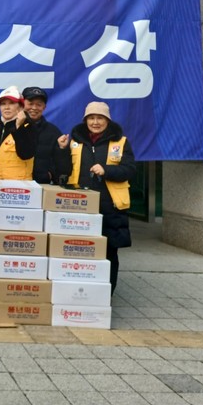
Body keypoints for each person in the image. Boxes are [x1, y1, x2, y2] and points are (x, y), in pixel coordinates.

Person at [59, 101, 135, 293]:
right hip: (80, 207)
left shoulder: (121, 142)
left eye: (100, 118)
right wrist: (62, 150)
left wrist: (106, 170)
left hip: (110, 207)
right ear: (85, 120)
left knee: (109, 252)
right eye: (91, 118)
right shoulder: (74, 141)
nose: (95, 122)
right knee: (80, 250)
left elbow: (130, 170)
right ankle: (82, 290)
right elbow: (64, 169)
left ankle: (107, 293)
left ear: (107, 120)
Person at [0, 85, 37, 179]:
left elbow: (26, 154)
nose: (7, 107)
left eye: (12, 103)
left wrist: (19, 127)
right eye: (3, 104)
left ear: (21, 107)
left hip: (19, 186)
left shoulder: (29, 126)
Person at [22, 86, 71, 184]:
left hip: (42, 186)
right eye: (30, 104)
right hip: (13, 184)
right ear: (22, 104)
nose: (34, 108)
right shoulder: (12, 128)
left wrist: (50, 175)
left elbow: (63, 168)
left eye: (39, 105)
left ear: (44, 107)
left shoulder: (53, 132)